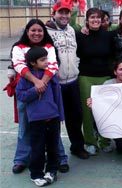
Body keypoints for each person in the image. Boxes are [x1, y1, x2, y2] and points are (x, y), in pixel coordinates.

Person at [10, 19, 69, 174]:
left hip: (48, 90)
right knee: (25, 126)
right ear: (27, 31)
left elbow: (53, 65)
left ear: (44, 32)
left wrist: (42, 82)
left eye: (40, 30)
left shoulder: (49, 47)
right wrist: (36, 82)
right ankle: (21, 159)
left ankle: (60, 158)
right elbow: (19, 65)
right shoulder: (18, 47)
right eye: (33, 30)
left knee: (53, 127)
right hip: (27, 92)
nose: (36, 33)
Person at [46, 0, 89, 162]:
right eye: (60, 12)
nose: (64, 15)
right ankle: (55, 154)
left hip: (72, 81)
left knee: (76, 117)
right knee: (54, 119)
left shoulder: (72, 30)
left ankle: (77, 147)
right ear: (54, 13)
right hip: (55, 83)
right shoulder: (46, 30)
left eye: (66, 12)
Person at [16, 47, 64, 186]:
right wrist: (35, 90)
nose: (46, 62)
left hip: (53, 117)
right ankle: (36, 174)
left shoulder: (50, 76)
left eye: (46, 58)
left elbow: (57, 96)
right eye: (43, 60)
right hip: (36, 120)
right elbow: (21, 96)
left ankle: (51, 171)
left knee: (53, 146)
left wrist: (59, 114)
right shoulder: (25, 79)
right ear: (32, 62)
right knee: (37, 147)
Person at [76, 7, 115, 155]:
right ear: (87, 20)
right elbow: (70, 24)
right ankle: (90, 142)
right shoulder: (80, 35)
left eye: (98, 18)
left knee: (104, 111)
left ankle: (105, 140)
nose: (95, 20)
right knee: (87, 111)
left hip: (105, 77)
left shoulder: (108, 35)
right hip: (86, 77)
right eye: (92, 18)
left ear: (102, 20)